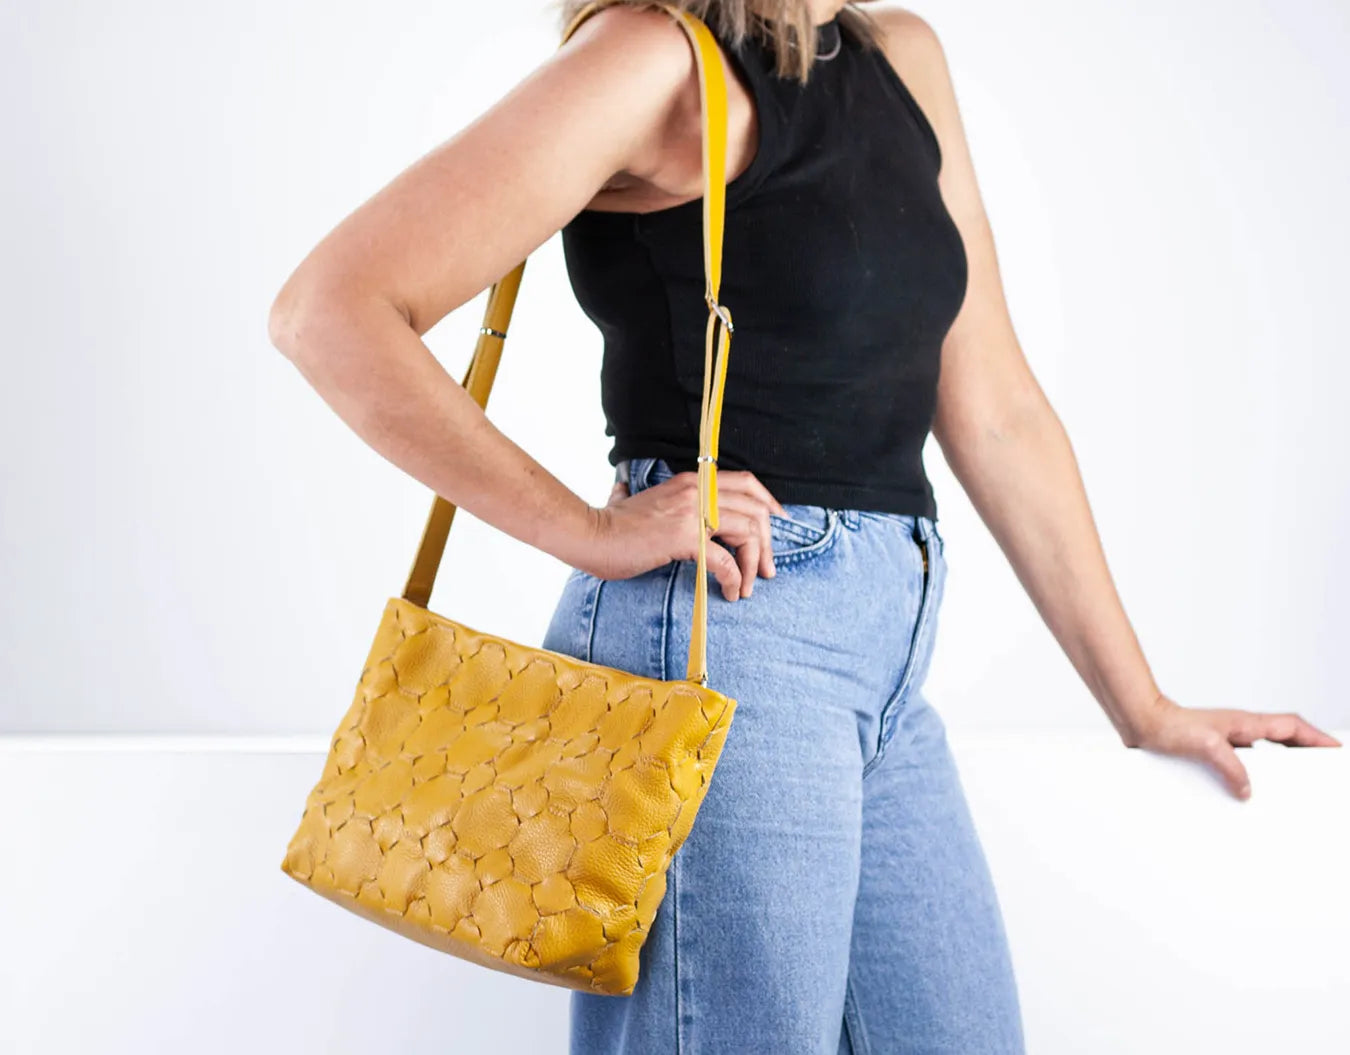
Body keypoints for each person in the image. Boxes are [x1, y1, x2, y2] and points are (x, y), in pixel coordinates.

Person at [267, 1, 1341, 1051]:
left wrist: (1141, 702)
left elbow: (998, 406)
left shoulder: (901, 57)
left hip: (885, 657)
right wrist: (588, 530)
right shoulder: (653, 59)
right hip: (730, 632)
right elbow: (331, 309)